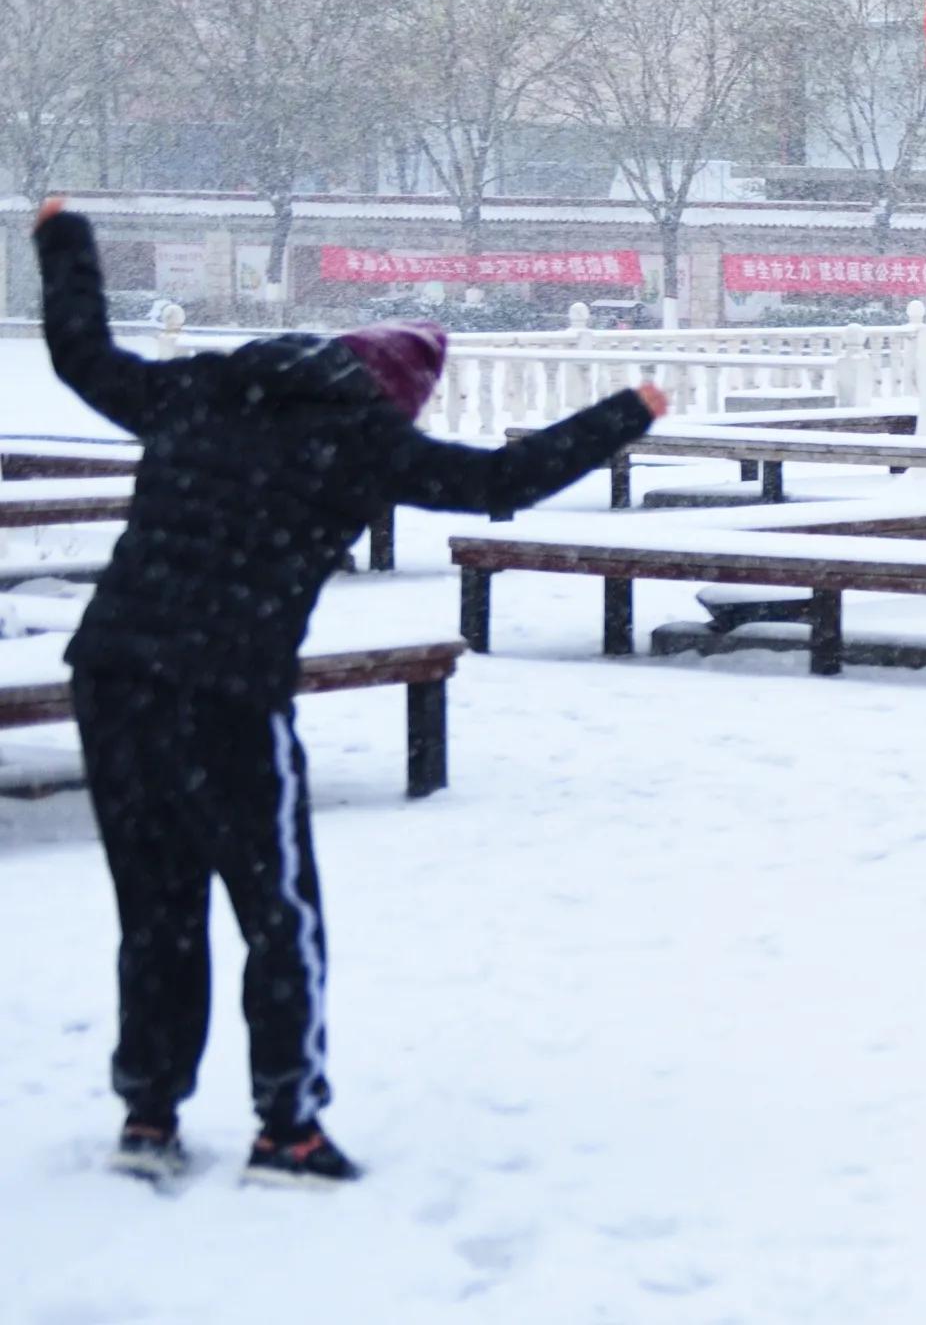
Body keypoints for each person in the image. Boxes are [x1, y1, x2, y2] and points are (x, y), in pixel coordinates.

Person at [28, 200, 666, 1189]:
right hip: (227, 686)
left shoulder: (200, 388)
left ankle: (148, 1116)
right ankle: (287, 1128)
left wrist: (63, 239)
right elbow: (506, 476)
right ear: (395, 394)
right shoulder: (363, 437)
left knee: (156, 907)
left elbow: (80, 354)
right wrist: (630, 410)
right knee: (277, 911)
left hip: (114, 674)